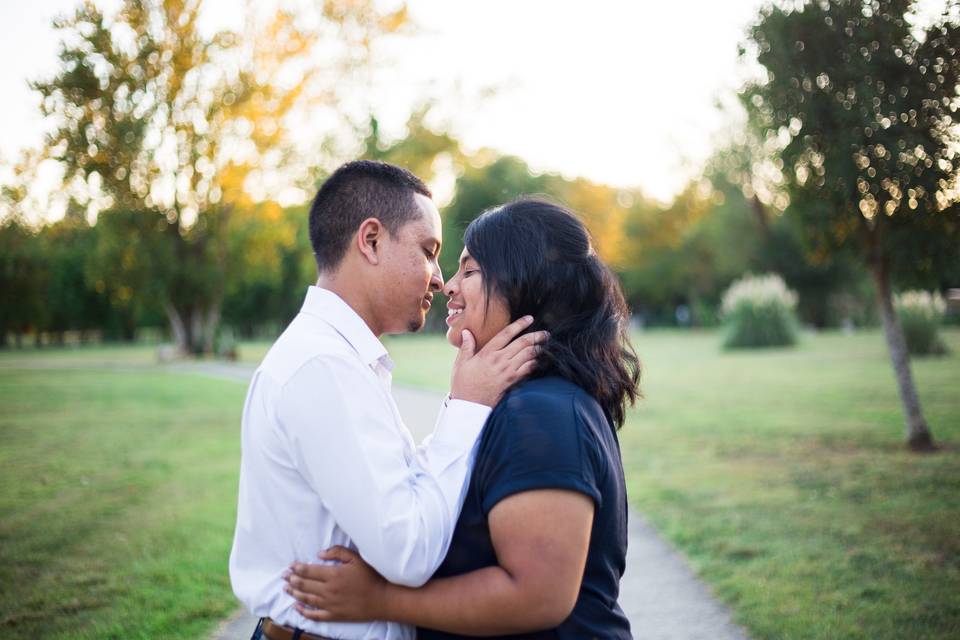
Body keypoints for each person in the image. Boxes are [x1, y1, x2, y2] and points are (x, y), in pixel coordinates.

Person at [285, 197, 641, 638]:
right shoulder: (518, 403)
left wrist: (377, 599)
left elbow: (538, 595)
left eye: (469, 271)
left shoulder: (544, 414)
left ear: (525, 283)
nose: (447, 285)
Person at [229, 161, 547, 640]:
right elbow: (409, 552)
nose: (439, 280)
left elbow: (398, 493)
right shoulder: (322, 367)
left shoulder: (340, 359)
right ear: (371, 241)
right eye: (428, 251)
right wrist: (468, 405)